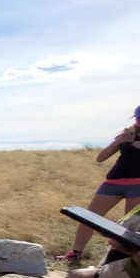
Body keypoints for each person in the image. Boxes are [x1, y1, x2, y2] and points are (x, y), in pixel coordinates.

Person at [59, 105, 140, 263]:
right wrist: (117, 143)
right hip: (114, 181)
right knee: (89, 218)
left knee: (129, 228)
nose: (138, 121)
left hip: (137, 185)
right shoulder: (127, 133)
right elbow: (100, 158)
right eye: (137, 118)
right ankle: (75, 254)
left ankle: (121, 262)